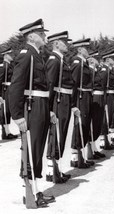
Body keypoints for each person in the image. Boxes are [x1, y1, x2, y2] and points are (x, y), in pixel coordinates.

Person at [9, 19, 55, 208]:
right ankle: (32, 193)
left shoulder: (37, 54)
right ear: (32, 36)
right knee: (32, 149)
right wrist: (18, 116)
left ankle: (36, 190)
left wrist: (49, 109)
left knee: (38, 149)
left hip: (41, 105)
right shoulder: (26, 54)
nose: (45, 36)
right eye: (42, 34)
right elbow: (16, 86)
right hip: (32, 106)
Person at [45, 31, 74, 183]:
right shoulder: (54, 60)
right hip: (58, 100)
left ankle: (57, 169)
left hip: (65, 100)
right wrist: (49, 108)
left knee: (61, 134)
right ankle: (51, 171)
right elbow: (50, 84)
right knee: (56, 134)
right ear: (56, 44)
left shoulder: (62, 60)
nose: (67, 45)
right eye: (64, 42)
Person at [70, 38, 95, 168]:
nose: (88, 51)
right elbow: (73, 83)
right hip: (80, 97)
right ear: (80, 49)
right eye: (86, 48)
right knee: (80, 125)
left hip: (86, 95)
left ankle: (82, 156)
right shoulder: (77, 62)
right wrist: (73, 104)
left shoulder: (84, 63)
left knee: (85, 125)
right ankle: (75, 157)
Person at [87, 51, 106, 158]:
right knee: (93, 123)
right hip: (95, 96)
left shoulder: (95, 70)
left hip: (100, 96)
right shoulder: (90, 70)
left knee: (98, 123)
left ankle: (94, 148)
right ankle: (91, 149)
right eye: (95, 59)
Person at [0, 48, 18, 140]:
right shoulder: (4, 66)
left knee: (8, 111)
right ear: (6, 55)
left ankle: (7, 132)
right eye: (10, 54)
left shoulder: (9, 65)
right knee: (5, 111)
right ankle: (5, 133)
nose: (12, 56)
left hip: (9, 90)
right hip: (5, 90)